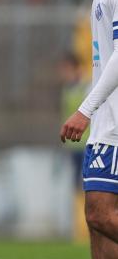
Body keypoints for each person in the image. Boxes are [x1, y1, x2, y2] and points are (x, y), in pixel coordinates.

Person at [60, 0, 118, 259]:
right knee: (95, 216)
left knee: (101, 214)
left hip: (113, 120)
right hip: (106, 122)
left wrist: (84, 108)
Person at [59, 52, 91, 243]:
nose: (64, 73)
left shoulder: (88, 86)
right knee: (76, 188)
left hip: (88, 145)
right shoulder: (67, 89)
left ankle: (86, 228)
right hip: (73, 147)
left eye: (66, 69)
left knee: (89, 187)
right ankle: (79, 230)